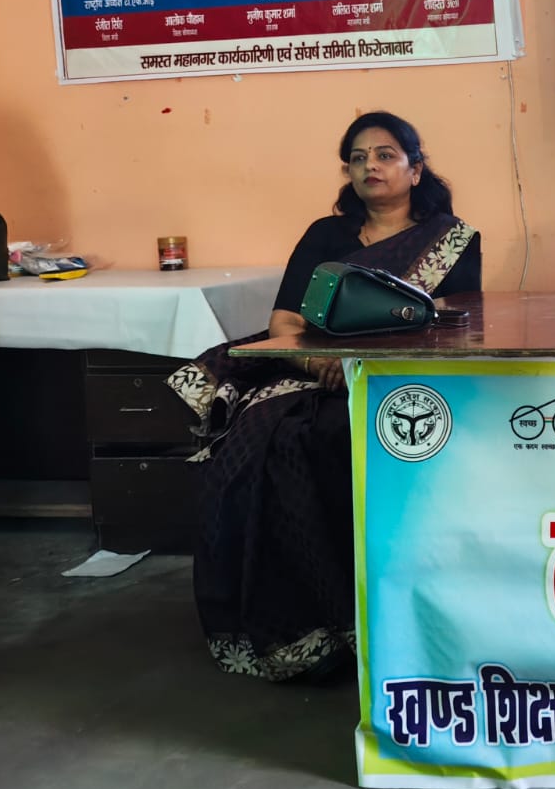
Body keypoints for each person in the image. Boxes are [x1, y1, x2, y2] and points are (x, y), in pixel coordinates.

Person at [167, 112, 480, 681]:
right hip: (312, 371)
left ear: (415, 168)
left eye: (385, 155)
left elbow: (450, 327)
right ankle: (297, 625)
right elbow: (285, 320)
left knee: (328, 438)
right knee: (260, 441)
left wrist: (362, 363)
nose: (370, 167)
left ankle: (363, 617)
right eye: (358, 158)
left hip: (397, 381)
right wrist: (318, 361)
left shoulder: (453, 241)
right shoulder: (325, 236)